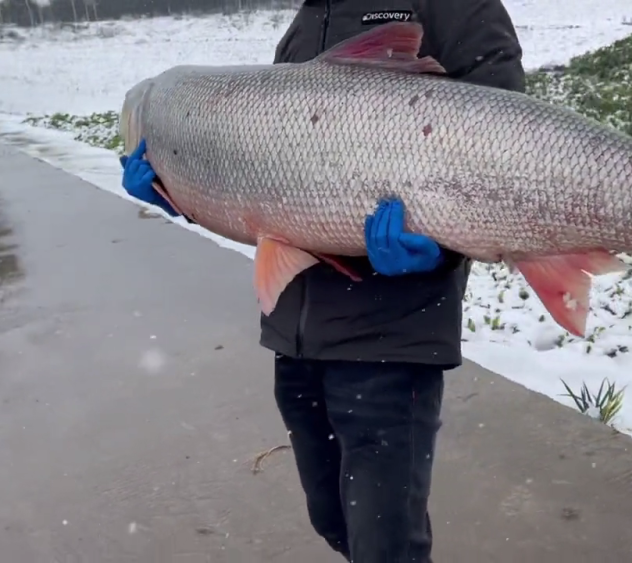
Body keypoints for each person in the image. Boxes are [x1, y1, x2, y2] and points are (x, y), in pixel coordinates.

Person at [119, 1, 525, 561]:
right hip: (298, 336)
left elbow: (517, 153)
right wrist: (181, 193)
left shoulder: (454, 5)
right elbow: (271, 175)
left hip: (392, 339)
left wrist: (438, 252)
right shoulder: (310, 19)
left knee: (386, 546)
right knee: (332, 519)